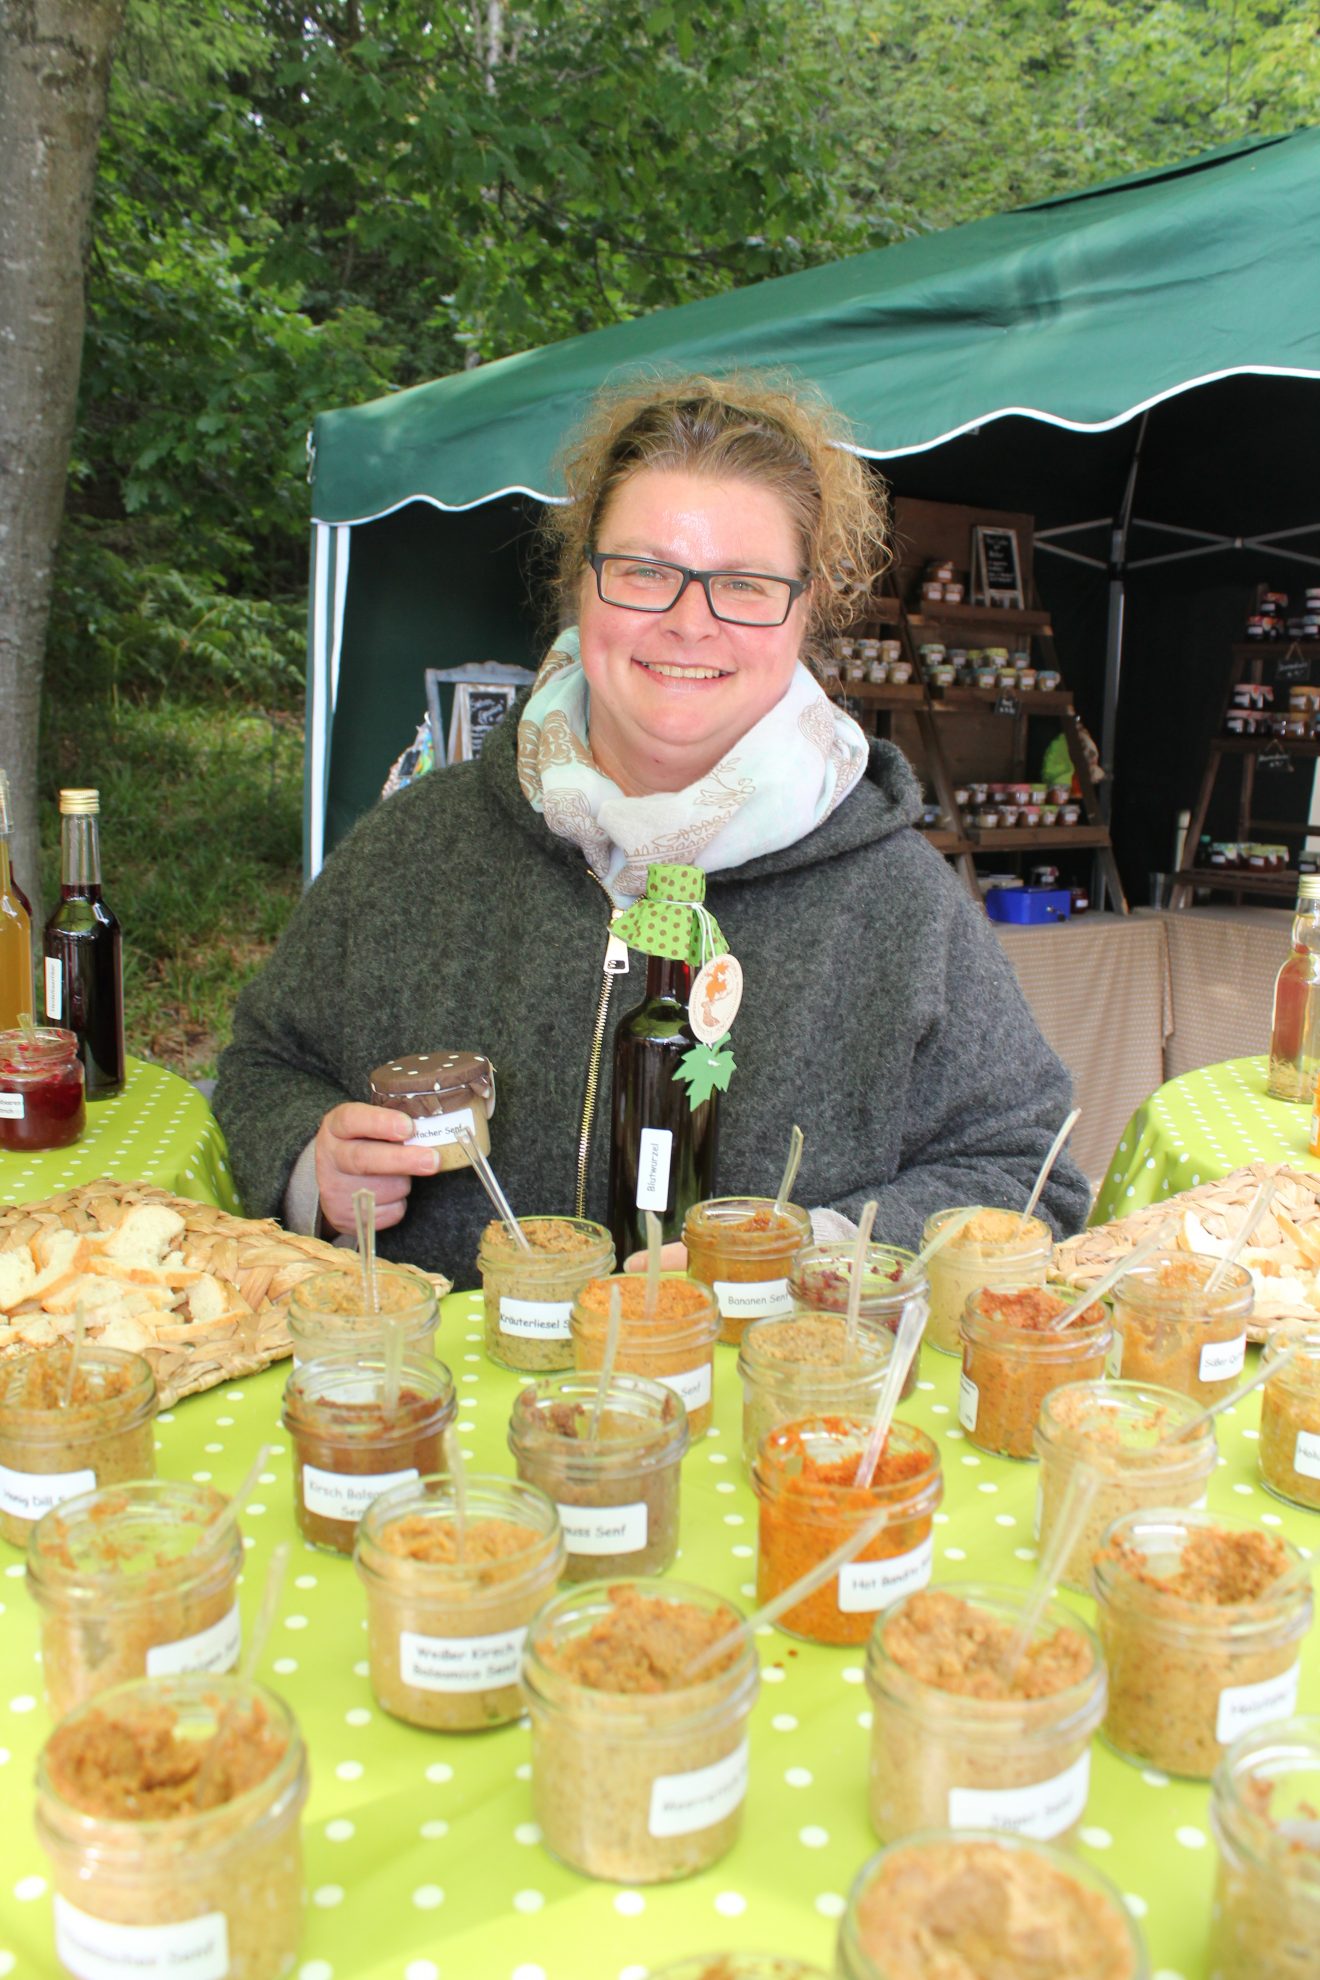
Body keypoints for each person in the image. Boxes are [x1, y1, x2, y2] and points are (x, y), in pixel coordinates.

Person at [214, 373, 1089, 1286]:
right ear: (580, 581)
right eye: (644, 572)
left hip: (753, 1418)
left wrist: (813, 1255)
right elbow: (265, 1065)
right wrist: (312, 1167)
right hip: (434, 1410)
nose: (687, 623)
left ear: (807, 605)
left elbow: (1028, 1176)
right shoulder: (414, 851)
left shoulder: (898, 903)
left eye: (744, 586)